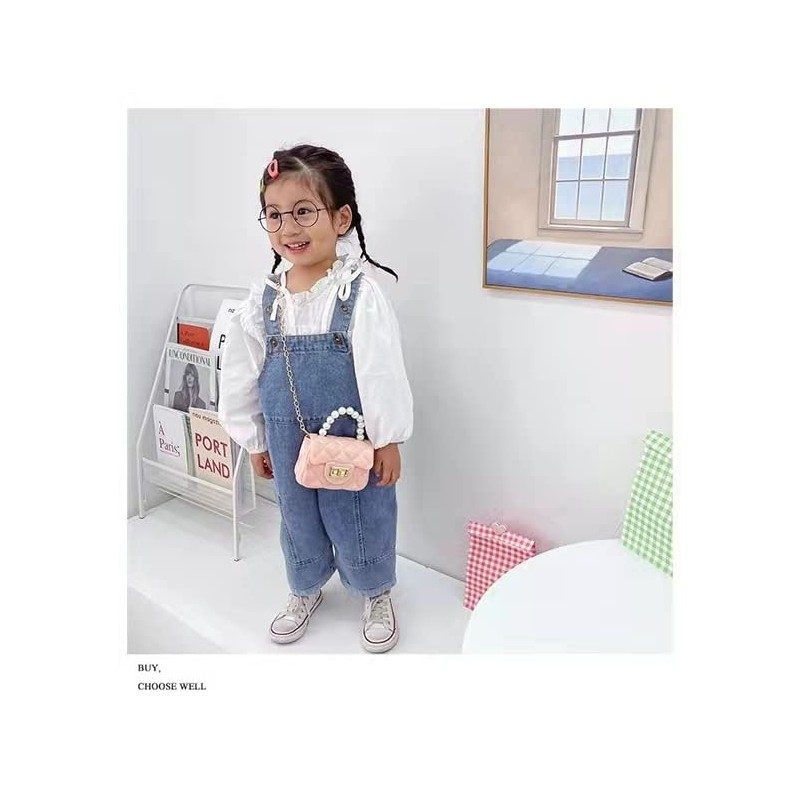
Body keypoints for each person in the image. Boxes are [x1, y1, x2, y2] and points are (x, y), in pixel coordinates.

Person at [218, 144, 413, 654]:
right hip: (287, 436)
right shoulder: (263, 301)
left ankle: (374, 590)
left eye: (304, 211)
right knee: (296, 514)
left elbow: (381, 370)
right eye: (275, 215)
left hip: (353, 434)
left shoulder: (357, 294)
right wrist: (254, 439)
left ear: (341, 218)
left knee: (361, 511)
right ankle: (304, 587)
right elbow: (240, 374)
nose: (289, 228)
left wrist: (388, 438)